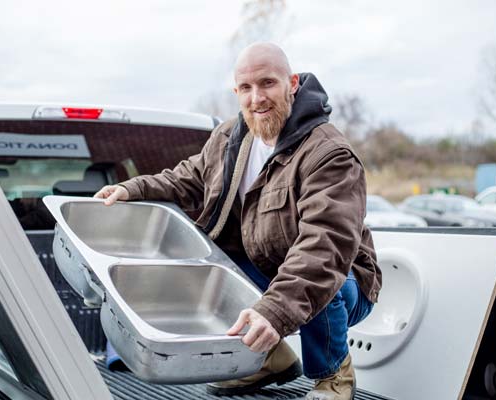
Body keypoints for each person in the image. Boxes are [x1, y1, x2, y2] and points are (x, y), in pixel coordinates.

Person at [94, 42, 382, 400]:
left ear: (292, 83)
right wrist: (131, 188)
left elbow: (325, 249)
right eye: (246, 88)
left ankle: (333, 375)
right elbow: (188, 178)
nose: (257, 98)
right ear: (236, 91)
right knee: (204, 263)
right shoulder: (232, 137)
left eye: (268, 83)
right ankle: (269, 360)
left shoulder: (328, 153)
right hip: (269, 266)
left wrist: (274, 313)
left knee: (324, 281)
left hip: (344, 280)